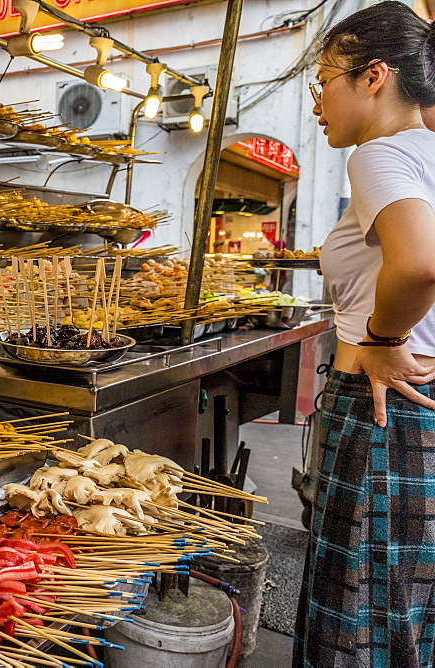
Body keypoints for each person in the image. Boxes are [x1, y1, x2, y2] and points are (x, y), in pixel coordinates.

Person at [295, 4, 435, 667]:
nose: (319, 100)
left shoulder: (379, 155)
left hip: (385, 413)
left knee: (362, 615)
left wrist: (382, 339)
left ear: (373, 76)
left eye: (324, 78)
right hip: (418, 413)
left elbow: (420, 263)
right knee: (405, 616)